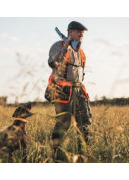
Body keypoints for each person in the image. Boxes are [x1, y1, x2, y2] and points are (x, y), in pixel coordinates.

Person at [47, 21, 92, 162]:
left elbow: (81, 73)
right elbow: (52, 63)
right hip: (63, 91)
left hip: (78, 90)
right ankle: (55, 155)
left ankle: (82, 156)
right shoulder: (58, 46)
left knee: (85, 123)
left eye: (82, 33)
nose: (81, 35)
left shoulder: (81, 52)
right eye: (79, 32)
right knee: (63, 123)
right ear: (70, 32)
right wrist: (65, 46)